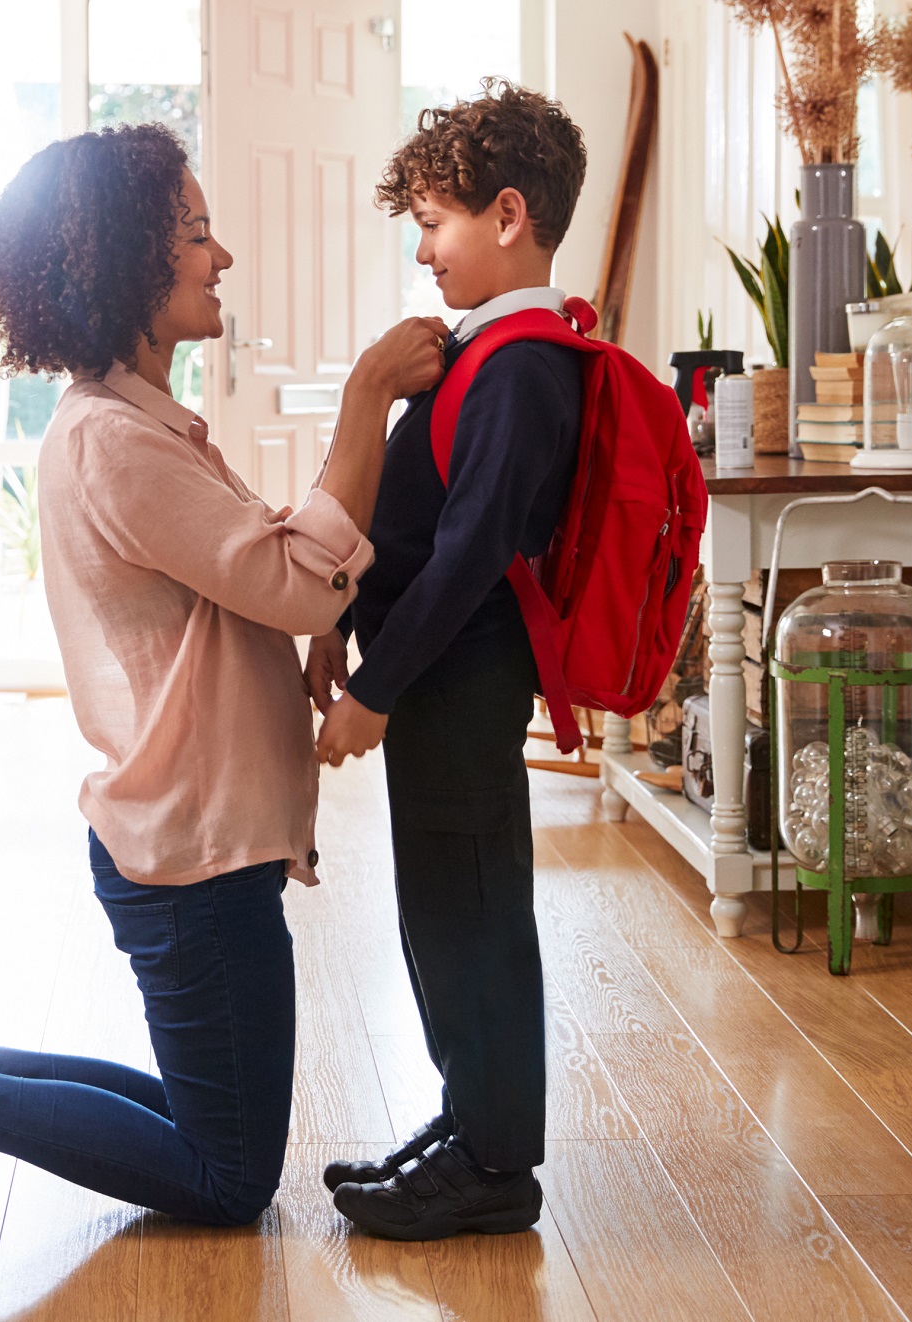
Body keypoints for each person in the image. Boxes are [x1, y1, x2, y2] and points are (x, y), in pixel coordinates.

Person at [0, 122, 450, 1232]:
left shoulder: (136, 424)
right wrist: (366, 397)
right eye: (197, 234)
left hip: (191, 839)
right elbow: (295, 578)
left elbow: (255, 573)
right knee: (227, 1174)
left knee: (206, 1120)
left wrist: (313, 613)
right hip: (194, 855)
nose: (222, 256)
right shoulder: (115, 441)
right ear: (126, 266)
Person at [305, 80, 590, 1241]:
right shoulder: (483, 352)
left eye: (433, 223)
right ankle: (469, 1120)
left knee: (472, 914)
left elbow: (471, 553)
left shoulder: (523, 364)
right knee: (438, 908)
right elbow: (415, 517)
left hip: (460, 680)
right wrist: (339, 622)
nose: (421, 250)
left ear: (507, 215)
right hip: (435, 678)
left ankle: (495, 1163)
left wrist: (375, 689)